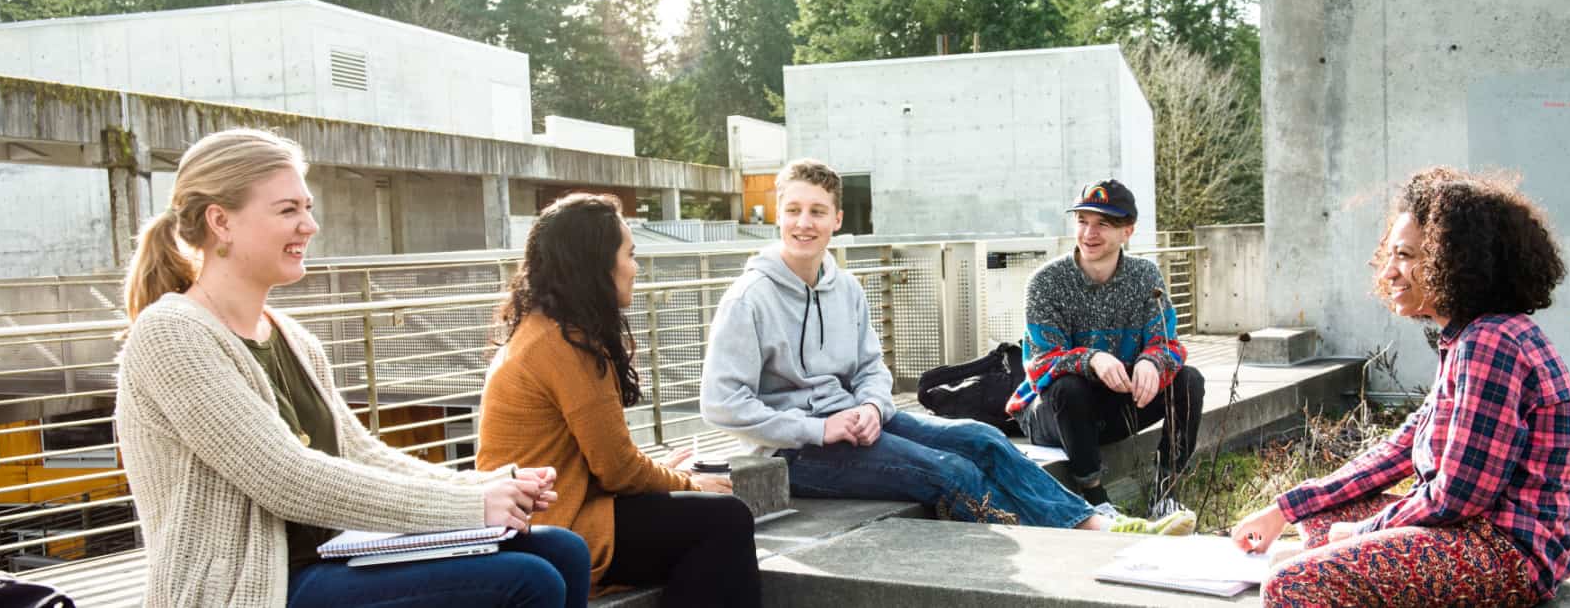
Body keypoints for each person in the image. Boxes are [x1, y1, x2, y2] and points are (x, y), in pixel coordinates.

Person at [116, 128, 590, 608]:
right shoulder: (172, 333)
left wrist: (486, 485)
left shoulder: (289, 336)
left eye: (308, 207)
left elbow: (358, 453)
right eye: (288, 210)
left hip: (324, 560)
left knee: (561, 549)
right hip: (249, 590)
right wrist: (471, 506)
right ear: (221, 221)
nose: (309, 225)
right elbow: (283, 477)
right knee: (527, 581)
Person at [701, 159, 1194, 535]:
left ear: (837, 220)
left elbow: (873, 368)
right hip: (793, 451)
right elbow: (722, 403)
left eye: (816, 212)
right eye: (792, 210)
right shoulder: (750, 298)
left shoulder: (845, 288)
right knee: (951, 471)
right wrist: (817, 427)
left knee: (984, 440)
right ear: (777, 217)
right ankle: (1040, 548)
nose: (803, 223)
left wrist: (873, 405)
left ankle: (1095, 526)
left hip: (857, 423)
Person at [1231, 167, 1570, 606]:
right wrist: (1285, 509)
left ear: (1457, 261)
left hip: (1507, 554)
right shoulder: (1470, 338)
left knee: (1292, 584)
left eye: (1406, 255)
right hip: (1474, 532)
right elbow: (1399, 449)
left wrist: (1363, 532)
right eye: (1390, 255)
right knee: (1322, 519)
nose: (1389, 273)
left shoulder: (1491, 343)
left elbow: (1459, 495)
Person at [476, 194, 761, 607]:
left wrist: (664, 477)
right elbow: (618, 469)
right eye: (629, 254)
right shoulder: (563, 344)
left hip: (552, 515)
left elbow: (604, 459)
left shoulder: (546, 330)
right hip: (551, 527)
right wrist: (686, 483)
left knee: (706, 527)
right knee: (725, 520)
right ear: (596, 265)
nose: (636, 267)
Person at [1004, 179, 1207, 518]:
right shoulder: (1045, 282)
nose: (1089, 233)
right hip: (1053, 412)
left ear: (1128, 231)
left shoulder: (1145, 276)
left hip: (1118, 404)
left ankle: (1165, 494)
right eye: (1083, 221)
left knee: (1189, 381)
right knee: (1069, 388)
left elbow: (1168, 343)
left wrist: (1152, 362)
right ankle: (1096, 501)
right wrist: (1092, 358)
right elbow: (1040, 363)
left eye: (1103, 224)